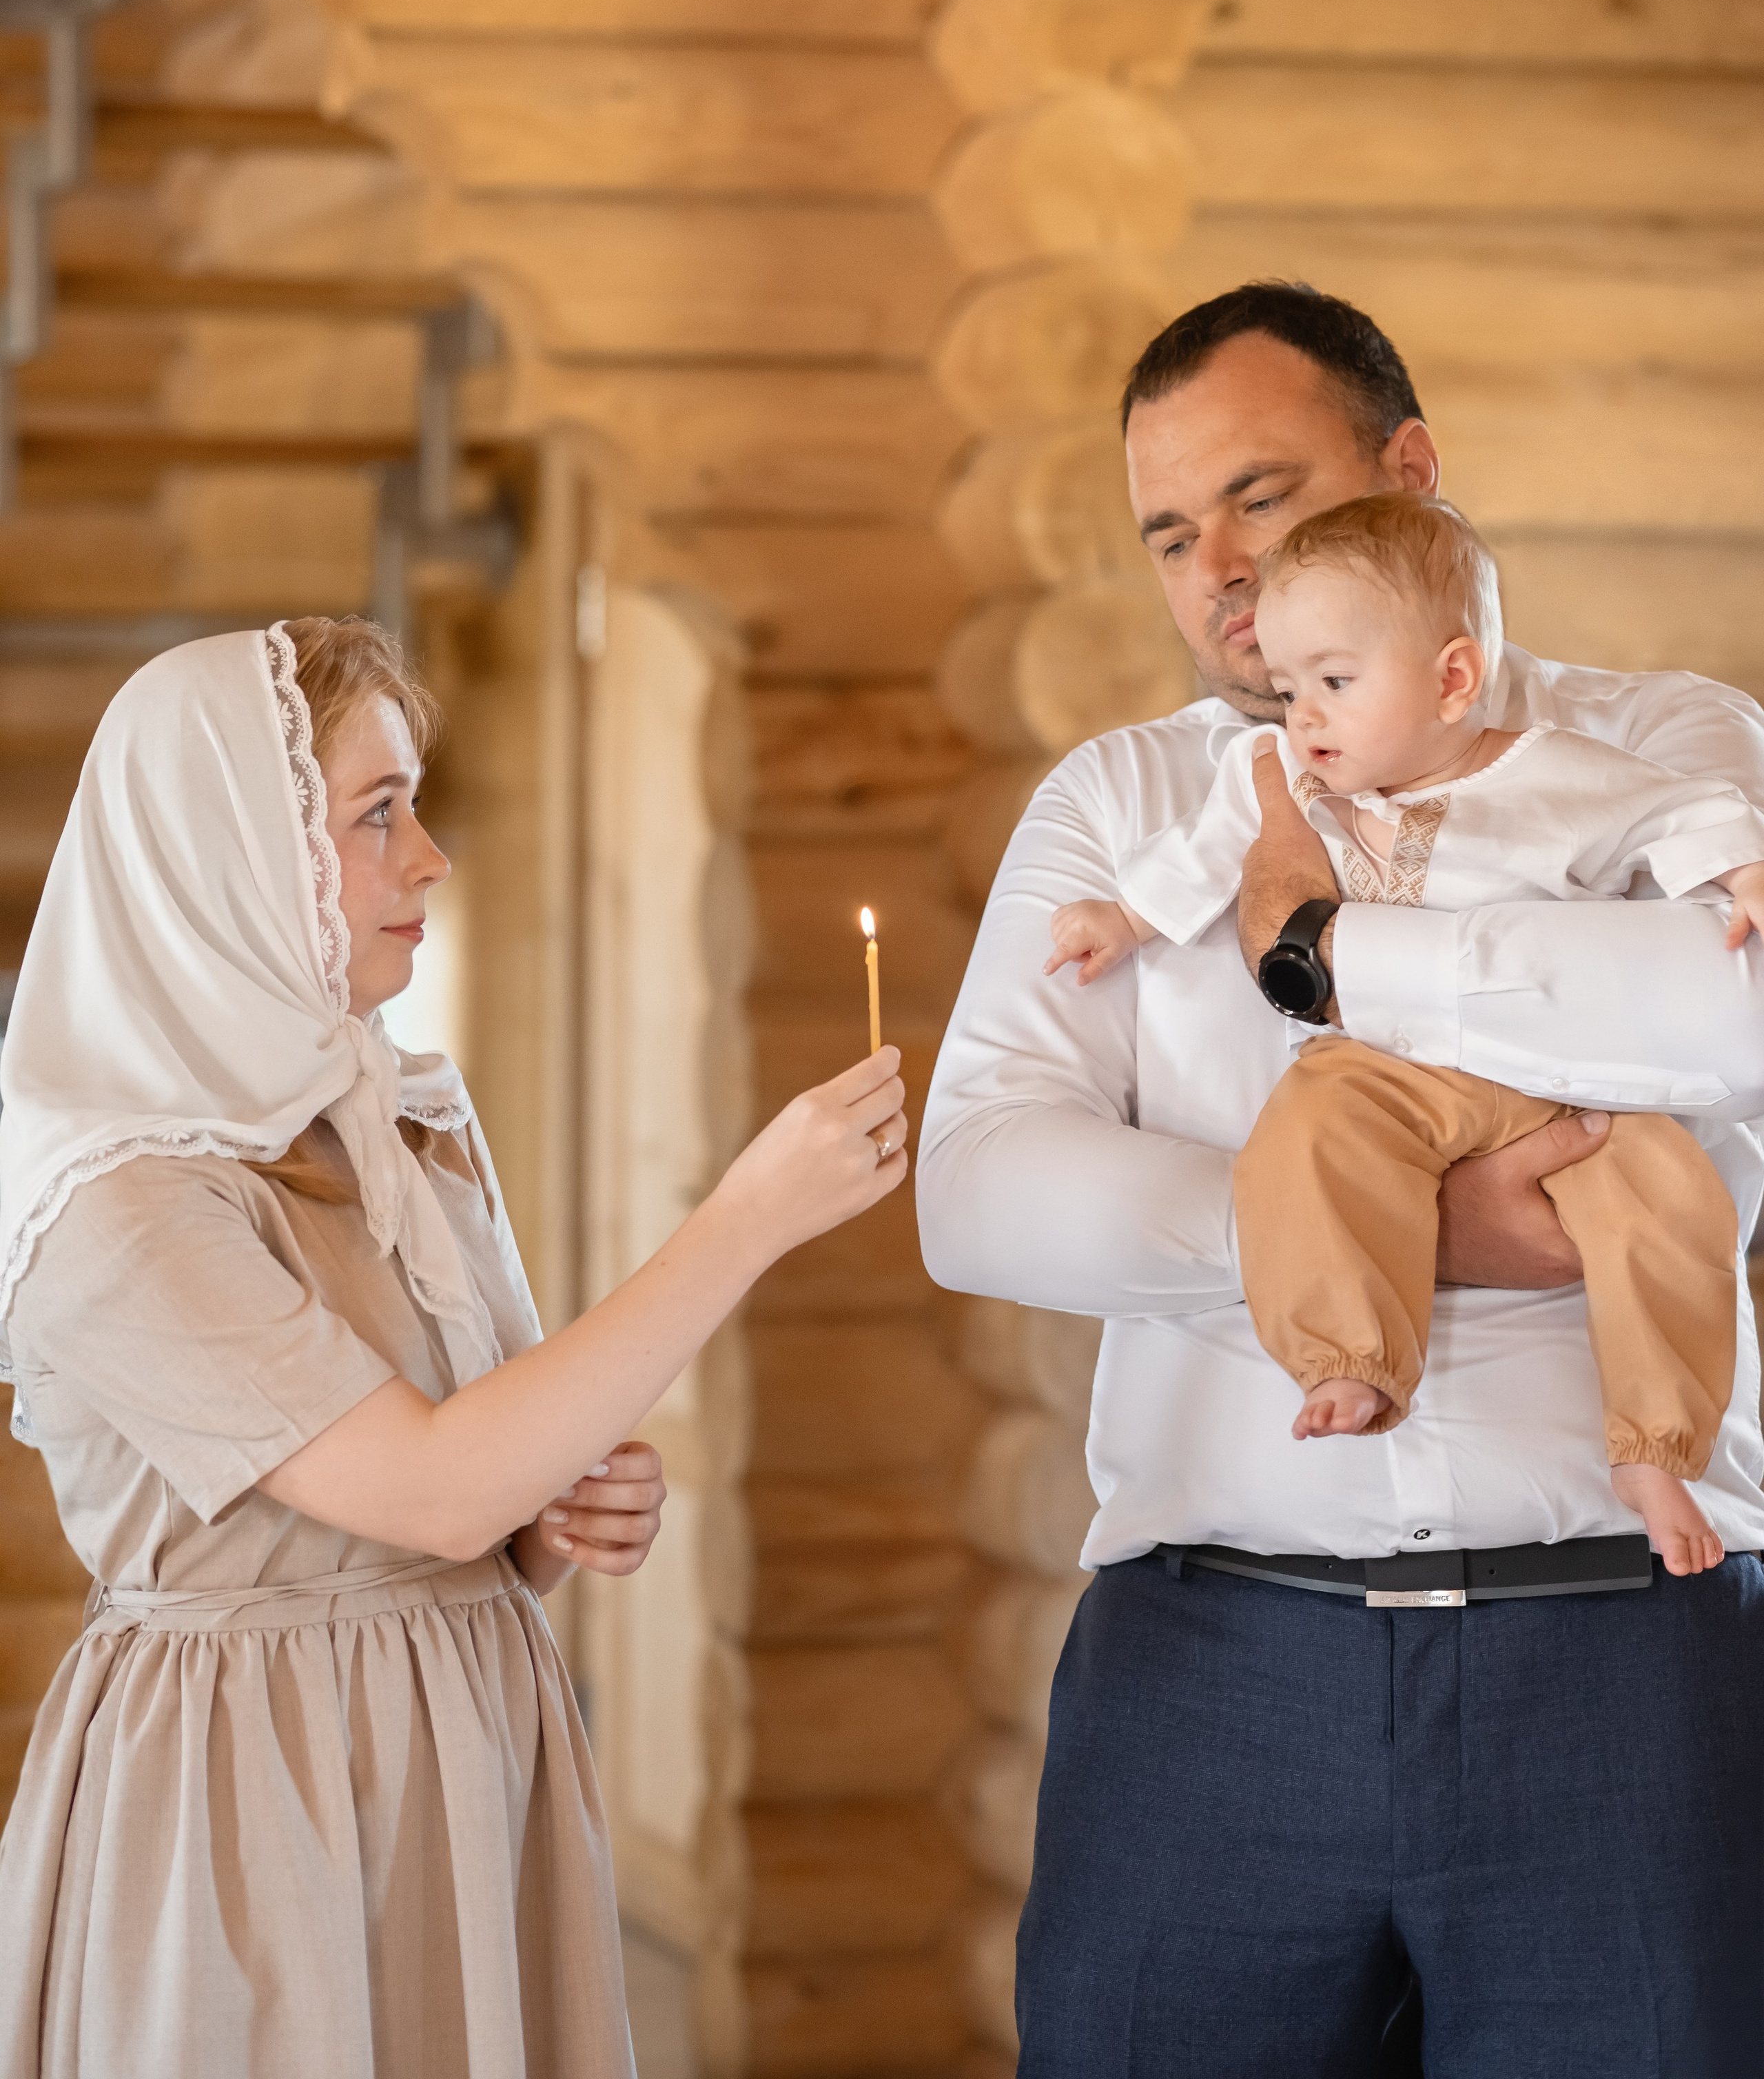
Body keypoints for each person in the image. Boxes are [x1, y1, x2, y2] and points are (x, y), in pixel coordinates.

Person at [916, 284, 1764, 2076]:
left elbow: (1732, 1020)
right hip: (1211, 1676)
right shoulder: (1124, 809)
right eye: (1169, 531)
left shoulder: (1662, 747)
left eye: (1260, 492)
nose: (1219, 564)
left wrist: (1331, 956)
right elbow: (980, 1184)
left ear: (1412, 473)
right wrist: (1381, 1235)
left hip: (1627, 1661)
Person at [0, 615, 908, 2079]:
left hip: (467, 1759)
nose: (428, 856)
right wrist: (743, 1221)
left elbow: (491, 1485)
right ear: (228, 858)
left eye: (413, 803)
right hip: (257, 1806)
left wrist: (563, 1511)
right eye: (374, 814)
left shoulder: (397, 1121)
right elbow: (433, 1490)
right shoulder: (117, 1208)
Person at [1049, 488, 1764, 1575]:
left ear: (1452, 679)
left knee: (1672, 1198)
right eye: (1291, 691)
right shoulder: (1290, 778)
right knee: (1306, 1130)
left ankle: (1657, 1449)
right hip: (1382, 1073)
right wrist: (1122, 918)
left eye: (1335, 684)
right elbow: (1200, 857)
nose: (1306, 719)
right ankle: (1350, 1360)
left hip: (1549, 1077)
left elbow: (1675, 815)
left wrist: (1742, 868)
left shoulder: (1557, 773)